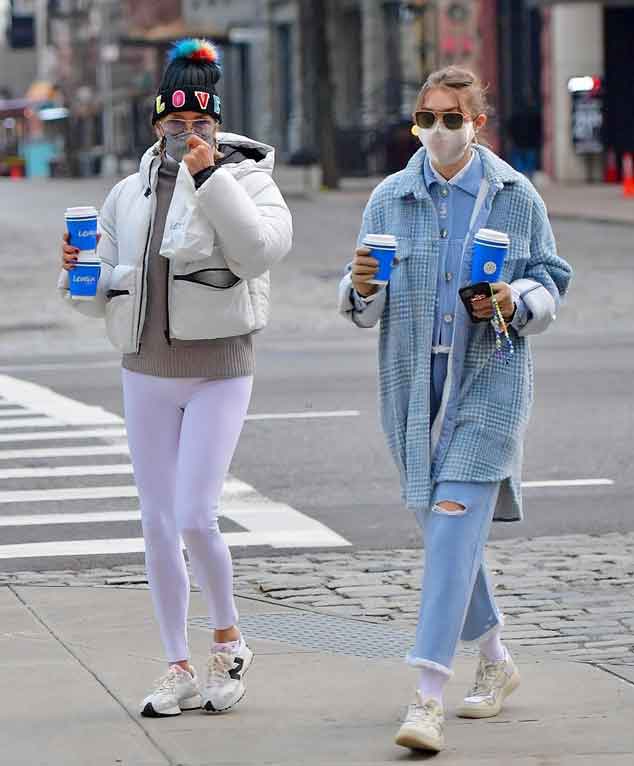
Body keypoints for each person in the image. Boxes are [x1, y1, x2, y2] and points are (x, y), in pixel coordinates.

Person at [338, 66, 572, 753]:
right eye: (426, 118)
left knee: (447, 532)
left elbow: (551, 281)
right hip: (412, 388)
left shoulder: (515, 196)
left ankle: (427, 695)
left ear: (477, 124)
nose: (437, 130)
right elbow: (364, 305)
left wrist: (515, 300)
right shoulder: (389, 198)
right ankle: (496, 661)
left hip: (490, 382)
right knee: (450, 537)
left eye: (450, 118)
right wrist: (360, 287)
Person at [58, 38, 292, 718]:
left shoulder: (249, 179)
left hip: (220, 366)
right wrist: (80, 271)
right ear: (156, 122)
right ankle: (177, 665)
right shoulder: (126, 193)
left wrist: (211, 177)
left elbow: (258, 251)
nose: (187, 135)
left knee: (195, 514)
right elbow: (92, 298)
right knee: (158, 523)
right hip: (146, 368)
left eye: (201, 124)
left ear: (217, 124)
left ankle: (228, 640)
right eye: (176, 123)